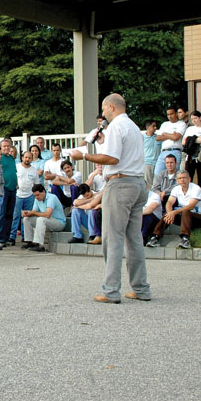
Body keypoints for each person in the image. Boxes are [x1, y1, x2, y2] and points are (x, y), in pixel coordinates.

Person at [70, 93, 151, 304]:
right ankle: (141, 288)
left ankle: (111, 290)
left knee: (112, 239)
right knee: (134, 239)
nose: (103, 114)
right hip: (138, 183)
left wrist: (84, 156)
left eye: (104, 110)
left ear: (112, 108)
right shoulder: (133, 127)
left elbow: (112, 158)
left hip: (120, 184)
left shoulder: (116, 126)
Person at [147, 171, 201, 250]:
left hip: (199, 217)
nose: (182, 180)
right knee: (167, 214)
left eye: (184, 178)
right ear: (177, 181)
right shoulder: (176, 189)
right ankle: (155, 237)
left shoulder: (196, 189)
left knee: (186, 212)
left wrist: (174, 212)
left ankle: (185, 239)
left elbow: (190, 206)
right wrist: (170, 213)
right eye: (180, 178)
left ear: (189, 179)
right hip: (184, 218)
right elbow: (169, 203)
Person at [21, 184, 66, 252]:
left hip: (59, 223)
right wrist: (27, 213)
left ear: (43, 192)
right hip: (48, 221)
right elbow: (34, 211)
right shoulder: (37, 199)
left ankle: (39, 244)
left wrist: (33, 213)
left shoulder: (52, 198)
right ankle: (29, 241)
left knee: (41, 219)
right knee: (27, 219)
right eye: (35, 195)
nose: (36, 197)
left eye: (38, 195)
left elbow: (47, 214)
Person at [11, 149, 39, 243]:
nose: (27, 159)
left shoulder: (34, 170)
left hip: (29, 196)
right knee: (15, 216)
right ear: (22, 158)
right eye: (26, 157)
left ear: (32, 159)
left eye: (29, 158)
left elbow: (36, 184)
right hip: (18, 195)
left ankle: (25, 236)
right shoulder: (17, 167)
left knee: (27, 217)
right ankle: (12, 236)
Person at [0, 137, 18, 246]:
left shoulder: (11, 158)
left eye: (8, 146)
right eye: (4, 146)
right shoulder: (0, 158)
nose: (6, 148)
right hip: (3, 189)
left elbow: (13, 172)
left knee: (10, 214)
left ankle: (7, 237)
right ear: (1, 147)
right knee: (2, 213)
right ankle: (0, 238)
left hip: (12, 189)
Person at [182, 110, 201, 194]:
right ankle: (188, 196)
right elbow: (183, 142)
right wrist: (194, 139)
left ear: (200, 118)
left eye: (195, 118)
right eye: (192, 119)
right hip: (190, 155)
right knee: (188, 176)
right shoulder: (190, 129)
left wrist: (190, 139)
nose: (194, 120)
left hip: (200, 155)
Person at [154, 106, 186, 175]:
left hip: (175, 151)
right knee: (157, 173)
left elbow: (176, 137)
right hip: (163, 152)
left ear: (176, 113)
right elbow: (158, 138)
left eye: (171, 114)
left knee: (173, 174)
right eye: (168, 114)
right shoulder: (164, 124)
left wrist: (165, 134)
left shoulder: (181, 124)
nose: (170, 116)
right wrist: (171, 135)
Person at [143, 120, 161, 187]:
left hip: (158, 163)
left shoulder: (158, 137)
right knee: (148, 184)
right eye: (153, 126)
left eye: (155, 126)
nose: (155, 128)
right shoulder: (142, 138)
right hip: (147, 163)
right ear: (148, 127)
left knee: (158, 183)